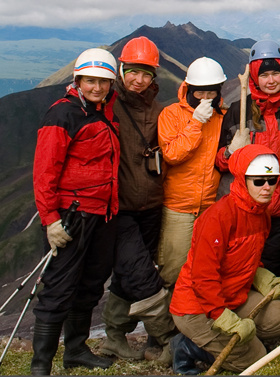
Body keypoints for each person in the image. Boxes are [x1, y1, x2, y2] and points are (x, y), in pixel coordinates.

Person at [31, 48, 120, 374]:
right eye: (91, 81)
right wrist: (50, 221)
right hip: (72, 216)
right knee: (58, 288)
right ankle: (41, 365)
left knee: (91, 284)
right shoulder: (62, 115)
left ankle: (76, 351)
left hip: (102, 214)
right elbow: (44, 174)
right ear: (78, 80)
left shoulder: (104, 112)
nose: (97, 87)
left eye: (104, 82)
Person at [169, 145, 280, 374]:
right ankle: (187, 347)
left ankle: (232, 339)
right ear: (243, 179)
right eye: (258, 181)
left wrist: (264, 278)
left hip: (234, 296)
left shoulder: (261, 213)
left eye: (272, 180)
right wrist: (221, 316)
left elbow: (248, 258)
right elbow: (202, 277)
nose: (267, 188)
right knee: (256, 360)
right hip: (197, 307)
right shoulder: (217, 217)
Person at [215, 40, 280, 326]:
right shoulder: (237, 112)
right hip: (247, 210)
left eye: (275, 73)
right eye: (264, 74)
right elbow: (219, 163)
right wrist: (232, 151)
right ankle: (251, 320)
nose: (271, 80)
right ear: (255, 76)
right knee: (246, 267)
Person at [100, 37, 176, 365]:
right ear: (121, 70)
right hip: (120, 210)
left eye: (145, 74)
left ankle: (114, 338)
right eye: (132, 72)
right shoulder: (109, 106)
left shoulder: (161, 112)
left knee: (127, 275)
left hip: (152, 207)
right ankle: (168, 339)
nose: (138, 80)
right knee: (143, 275)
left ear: (153, 77)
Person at [157, 57, 226, 289]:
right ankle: (168, 323)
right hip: (178, 207)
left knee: (205, 268)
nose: (206, 99)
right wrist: (196, 123)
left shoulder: (222, 118)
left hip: (209, 206)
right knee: (173, 270)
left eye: (211, 94)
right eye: (199, 94)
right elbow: (173, 155)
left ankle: (192, 320)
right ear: (189, 90)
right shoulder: (171, 114)